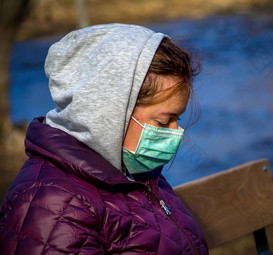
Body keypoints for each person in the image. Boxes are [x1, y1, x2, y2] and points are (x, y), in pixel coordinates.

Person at [0, 24, 208, 254]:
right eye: (163, 121)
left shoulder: (138, 175)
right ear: (110, 111)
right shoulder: (53, 204)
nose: (175, 131)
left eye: (178, 118)